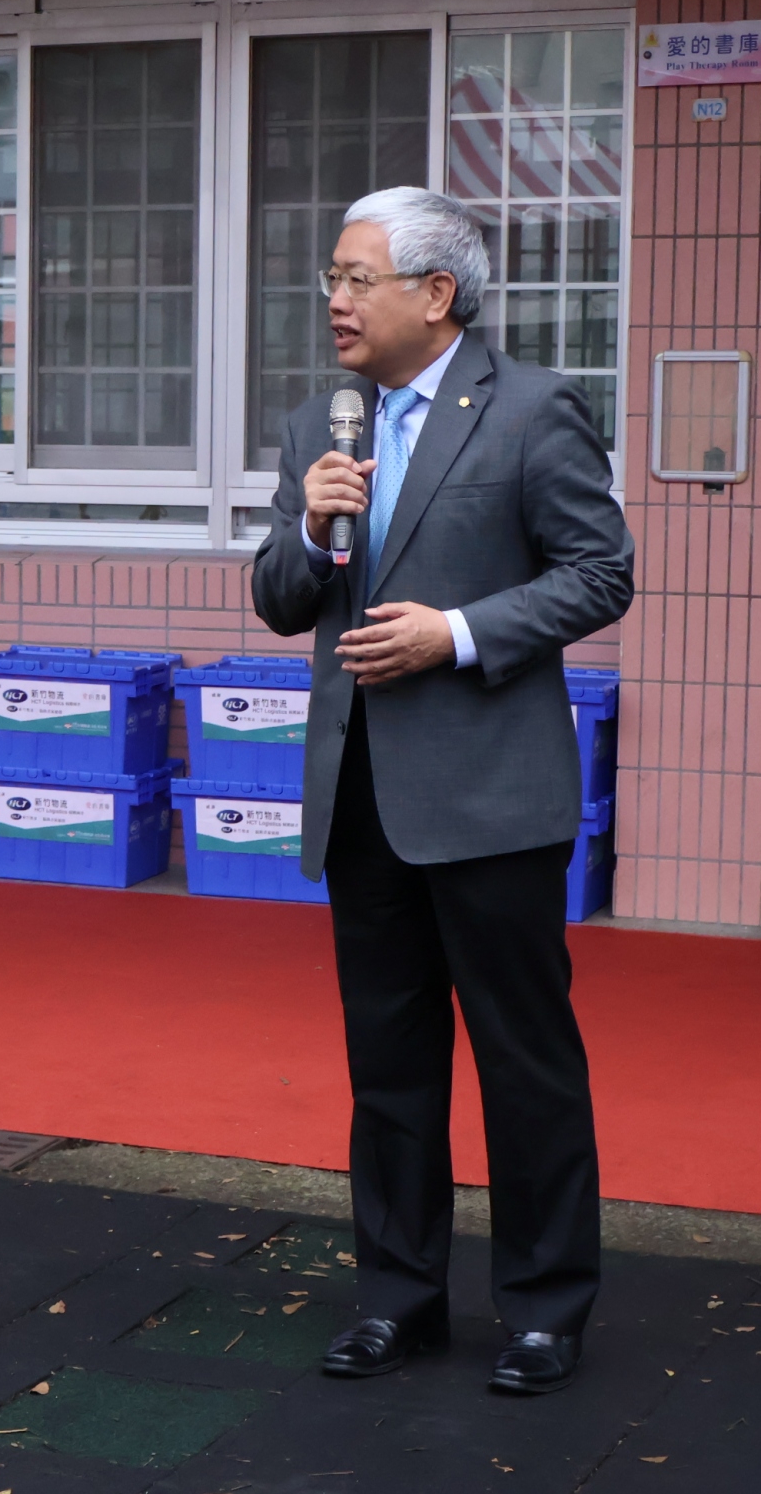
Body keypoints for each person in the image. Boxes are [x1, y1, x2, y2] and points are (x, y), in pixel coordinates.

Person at [251, 187, 634, 1394]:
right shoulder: (320, 423)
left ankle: (543, 1309)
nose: (334, 299)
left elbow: (599, 571)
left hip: (488, 800)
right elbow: (277, 600)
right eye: (330, 277)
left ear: (435, 293)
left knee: (523, 1063)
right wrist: (308, 532)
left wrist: (455, 633)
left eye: (356, 277)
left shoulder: (528, 409)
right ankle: (397, 1297)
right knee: (389, 1067)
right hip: (361, 796)